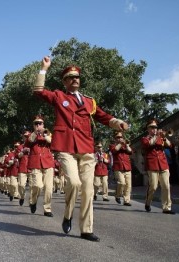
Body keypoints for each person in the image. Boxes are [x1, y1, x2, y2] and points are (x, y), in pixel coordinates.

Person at [33, 56, 129, 242]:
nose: (74, 79)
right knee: (75, 183)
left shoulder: (89, 101)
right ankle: (68, 214)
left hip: (86, 148)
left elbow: (103, 116)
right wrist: (44, 68)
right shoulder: (59, 96)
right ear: (64, 81)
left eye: (77, 77)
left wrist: (118, 123)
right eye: (70, 77)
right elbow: (38, 91)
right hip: (65, 147)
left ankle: (86, 229)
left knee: (88, 189)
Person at [141, 119, 175, 214]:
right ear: (148, 129)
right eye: (152, 127)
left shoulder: (160, 138)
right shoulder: (145, 138)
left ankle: (166, 207)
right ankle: (148, 202)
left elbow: (170, 145)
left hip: (163, 164)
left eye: (156, 127)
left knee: (166, 186)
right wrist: (157, 136)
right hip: (152, 165)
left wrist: (164, 138)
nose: (155, 129)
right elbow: (148, 144)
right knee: (154, 186)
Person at [26, 115, 55, 217]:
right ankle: (33, 201)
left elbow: (53, 143)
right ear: (34, 125)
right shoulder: (31, 135)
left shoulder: (48, 133)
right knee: (37, 186)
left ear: (43, 124)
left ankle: (47, 209)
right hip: (35, 163)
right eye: (36, 123)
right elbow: (28, 143)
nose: (38, 125)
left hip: (48, 163)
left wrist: (45, 135)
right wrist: (36, 132)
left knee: (48, 188)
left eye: (40, 123)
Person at [109, 132, 133, 206]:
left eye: (121, 137)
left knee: (128, 185)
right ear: (115, 138)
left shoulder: (125, 146)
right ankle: (118, 195)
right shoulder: (112, 145)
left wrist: (127, 145)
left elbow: (130, 151)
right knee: (121, 183)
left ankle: (126, 201)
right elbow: (115, 150)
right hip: (118, 167)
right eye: (118, 137)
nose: (119, 138)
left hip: (127, 167)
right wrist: (120, 143)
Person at [17, 131, 31, 206]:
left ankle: (32, 201)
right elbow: (18, 155)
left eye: (28, 137)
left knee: (33, 186)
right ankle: (22, 196)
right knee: (21, 185)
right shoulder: (20, 147)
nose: (26, 138)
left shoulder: (33, 145)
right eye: (25, 137)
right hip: (22, 167)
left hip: (32, 167)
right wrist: (23, 151)